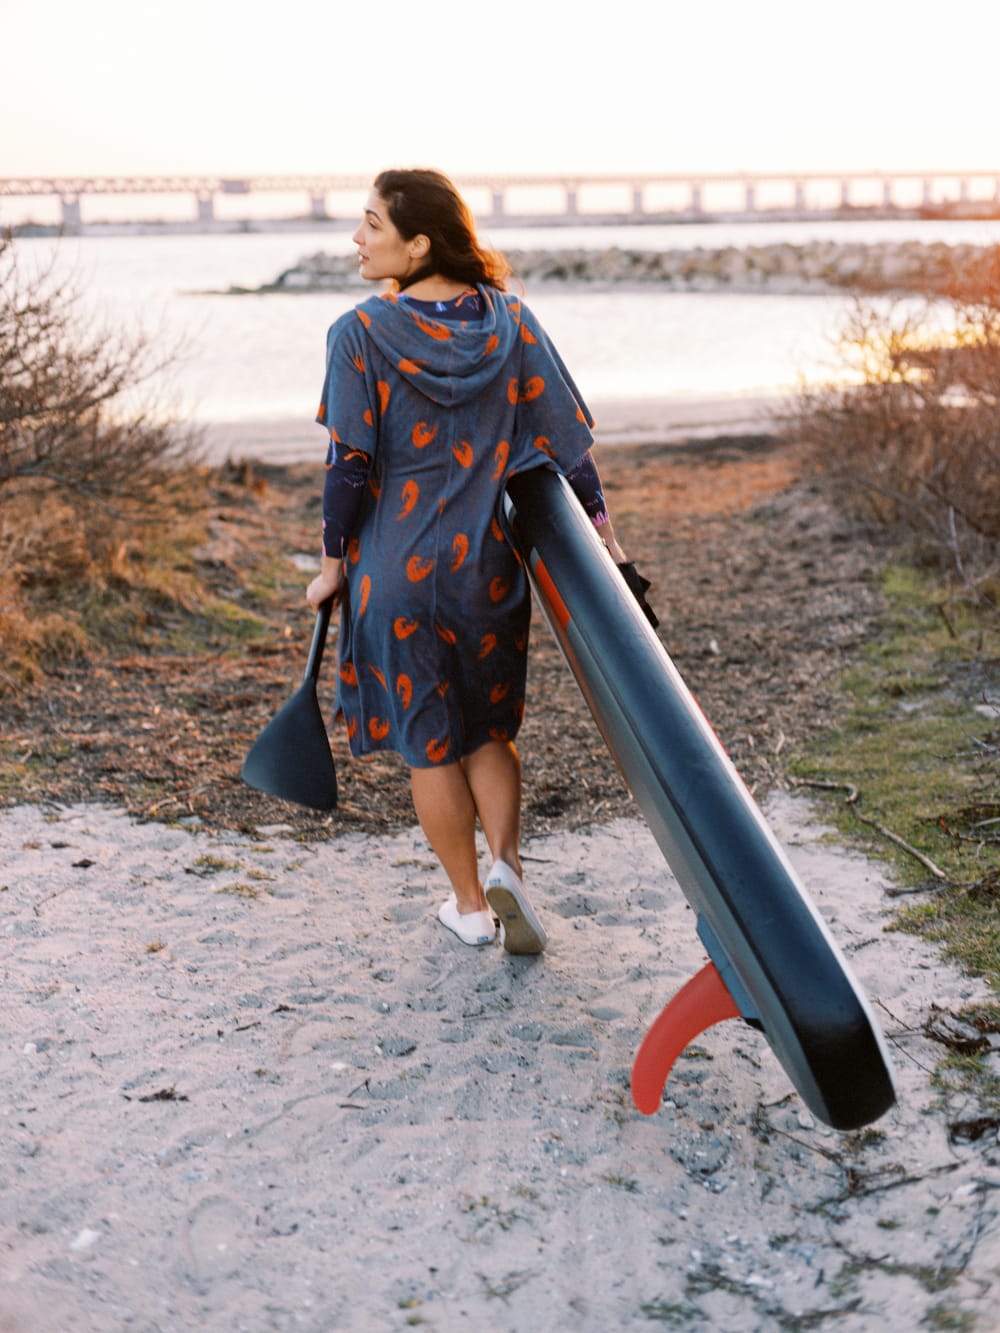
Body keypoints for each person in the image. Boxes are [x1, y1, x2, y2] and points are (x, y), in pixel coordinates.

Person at [306, 167, 633, 955]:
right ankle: (506, 868)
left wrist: (330, 563)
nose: (357, 238)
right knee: (488, 731)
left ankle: (468, 907)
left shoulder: (358, 333)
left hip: (395, 568)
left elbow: (349, 463)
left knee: (431, 742)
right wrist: (608, 539)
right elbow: (567, 449)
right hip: (485, 569)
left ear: (418, 243)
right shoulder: (511, 323)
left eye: (372, 225)